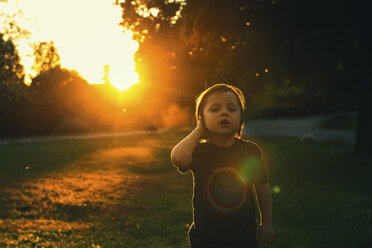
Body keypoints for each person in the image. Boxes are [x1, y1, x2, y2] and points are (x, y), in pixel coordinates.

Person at [171, 83, 275, 248]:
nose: (224, 112)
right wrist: (198, 131)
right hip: (206, 240)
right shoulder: (200, 152)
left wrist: (267, 223)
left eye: (232, 108)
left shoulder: (249, 151)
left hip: (244, 238)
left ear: (241, 118)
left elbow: (262, 188)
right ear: (202, 119)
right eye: (215, 109)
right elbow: (177, 158)